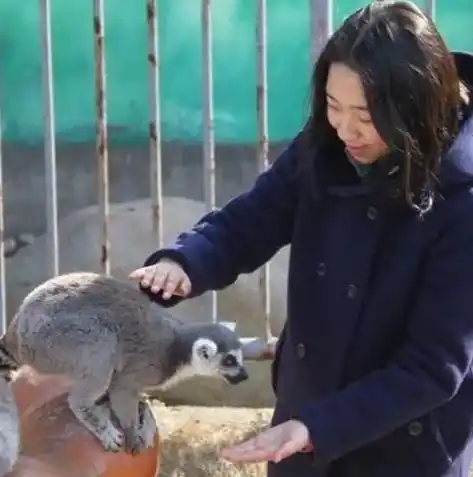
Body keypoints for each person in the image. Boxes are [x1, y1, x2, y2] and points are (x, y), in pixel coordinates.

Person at [129, 1, 473, 475]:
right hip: (302, 431)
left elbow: (433, 368)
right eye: (333, 106)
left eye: (367, 116)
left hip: (407, 450)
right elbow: (253, 217)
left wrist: (314, 428)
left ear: (413, 109)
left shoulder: (462, 200)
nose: (346, 128)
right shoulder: (324, 147)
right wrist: (187, 262)